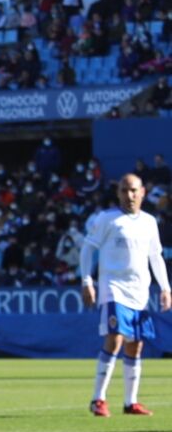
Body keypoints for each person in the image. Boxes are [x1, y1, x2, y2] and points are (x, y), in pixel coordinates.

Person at [81, 173, 170, 416]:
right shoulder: (108, 219)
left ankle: (131, 402)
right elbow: (88, 248)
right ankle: (98, 399)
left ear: (142, 192)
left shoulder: (149, 222)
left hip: (139, 291)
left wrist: (165, 287)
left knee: (136, 345)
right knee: (116, 337)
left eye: (133, 190)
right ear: (118, 193)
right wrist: (87, 280)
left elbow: (155, 257)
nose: (129, 195)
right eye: (124, 190)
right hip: (113, 288)